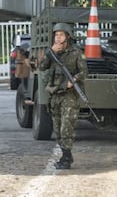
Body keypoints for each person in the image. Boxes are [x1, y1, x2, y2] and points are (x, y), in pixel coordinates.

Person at [39, 23, 88, 169]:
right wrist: (50, 52)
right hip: (55, 94)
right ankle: (66, 155)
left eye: (61, 34)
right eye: (56, 34)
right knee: (57, 128)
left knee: (66, 127)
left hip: (69, 96)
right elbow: (42, 67)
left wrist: (73, 80)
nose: (57, 37)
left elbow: (84, 72)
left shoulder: (76, 53)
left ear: (67, 36)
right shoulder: (51, 52)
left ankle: (66, 159)